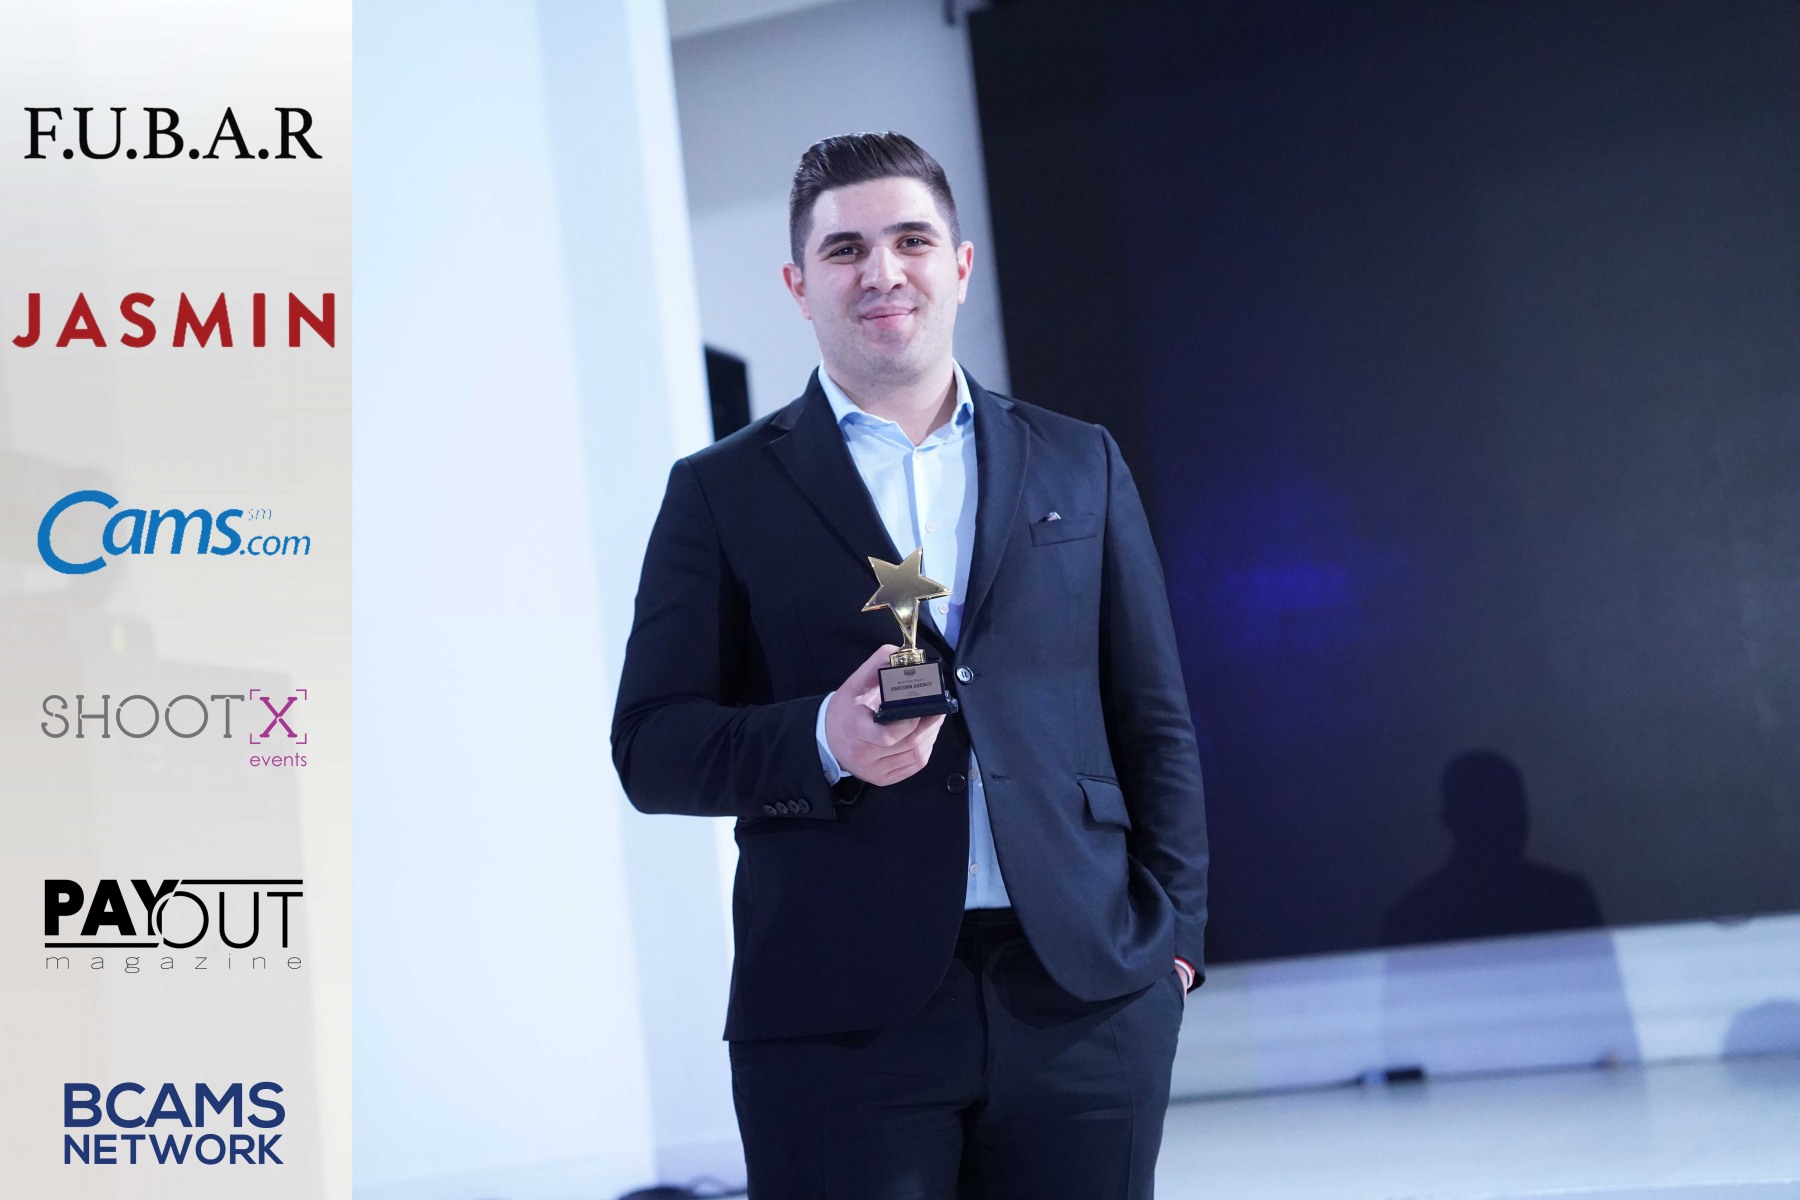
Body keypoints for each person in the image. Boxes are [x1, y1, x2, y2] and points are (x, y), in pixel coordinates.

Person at [612, 132, 1208, 1199]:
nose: (882, 271)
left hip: (1087, 997)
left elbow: (1152, 717)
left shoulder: (1080, 460)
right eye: (844, 250)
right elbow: (652, 747)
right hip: (836, 1013)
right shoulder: (721, 491)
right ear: (798, 285)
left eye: (911, 241)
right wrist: (820, 739)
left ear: (960, 265)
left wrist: (1174, 945)